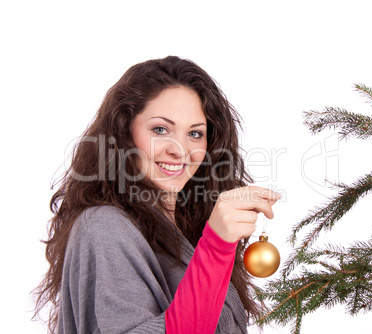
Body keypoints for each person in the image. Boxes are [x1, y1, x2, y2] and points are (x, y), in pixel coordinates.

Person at [33, 56, 280, 333]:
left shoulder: (189, 228)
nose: (179, 149)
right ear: (124, 132)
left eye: (195, 134)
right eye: (160, 129)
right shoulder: (103, 226)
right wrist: (216, 247)